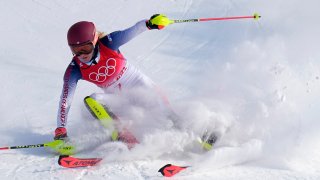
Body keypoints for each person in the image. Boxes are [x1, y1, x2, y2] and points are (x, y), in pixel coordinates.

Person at [53, 14, 175, 147]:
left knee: (165, 113)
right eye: (76, 50)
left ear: (94, 41)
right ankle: (123, 136)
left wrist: (150, 23)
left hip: (139, 85)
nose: (82, 55)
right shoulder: (74, 69)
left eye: (86, 48)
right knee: (92, 100)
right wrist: (61, 130)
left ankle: (194, 134)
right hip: (119, 100)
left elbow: (135, 29)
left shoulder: (109, 43)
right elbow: (65, 100)